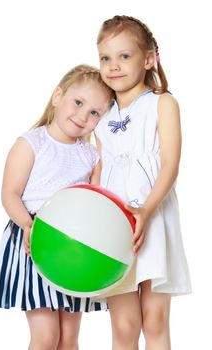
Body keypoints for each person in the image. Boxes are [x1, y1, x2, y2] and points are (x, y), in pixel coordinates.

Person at [0, 64, 114, 350]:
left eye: (95, 112)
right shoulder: (32, 143)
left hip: (74, 247)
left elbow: (97, 198)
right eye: (78, 102)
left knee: (69, 338)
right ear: (58, 96)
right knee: (47, 336)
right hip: (35, 241)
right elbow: (10, 194)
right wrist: (27, 224)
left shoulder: (90, 155)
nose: (83, 116)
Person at [95, 15, 192, 350]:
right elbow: (98, 170)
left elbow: (170, 165)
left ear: (148, 59)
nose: (113, 66)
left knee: (154, 320)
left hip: (152, 218)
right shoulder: (102, 115)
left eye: (124, 56)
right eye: (105, 58)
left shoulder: (162, 103)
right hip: (113, 223)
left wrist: (147, 211)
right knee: (124, 326)